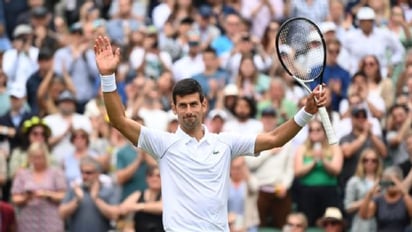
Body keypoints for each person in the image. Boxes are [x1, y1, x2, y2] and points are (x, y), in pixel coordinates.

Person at [93, 35, 327, 231]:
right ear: (173, 109)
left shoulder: (225, 142)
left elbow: (274, 138)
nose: (188, 111)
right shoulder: (163, 144)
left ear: (204, 105)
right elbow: (118, 120)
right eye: (182, 106)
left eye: (193, 104)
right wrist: (107, 76)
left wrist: (306, 112)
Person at [11, 142, 66, 232]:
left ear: (46, 157)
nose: (37, 160)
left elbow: (63, 196)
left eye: (40, 157)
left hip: (51, 220)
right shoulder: (22, 174)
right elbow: (15, 198)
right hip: (28, 221)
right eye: (34, 157)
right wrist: (27, 197)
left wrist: (47, 194)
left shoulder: (56, 173)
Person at [58, 156, 119, 232]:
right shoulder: (75, 189)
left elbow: (115, 215)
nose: (84, 176)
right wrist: (77, 200)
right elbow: (61, 214)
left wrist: (96, 199)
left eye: (88, 173)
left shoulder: (108, 190)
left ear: (98, 173)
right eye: (82, 172)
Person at [359, 166, 412, 232]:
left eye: (392, 183)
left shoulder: (405, 199)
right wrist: (370, 194)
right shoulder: (379, 200)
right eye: (387, 182)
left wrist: (402, 190)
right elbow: (364, 215)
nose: (390, 185)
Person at [344, 148, 382, 232]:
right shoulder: (354, 181)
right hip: (361, 223)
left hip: (381, 220)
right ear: (362, 162)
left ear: (378, 163)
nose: (370, 162)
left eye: (373, 160)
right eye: (366, 160)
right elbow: (348, 207)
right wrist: (369, 198)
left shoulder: (383, 180)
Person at [118, 165, 164, 232]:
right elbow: (123, 209)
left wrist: (138, 206)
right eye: (150, 175)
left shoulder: (166, 195)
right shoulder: (138, 194)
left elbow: (162, 207)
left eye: (158, 176)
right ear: (146, 178)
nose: (154, 178)